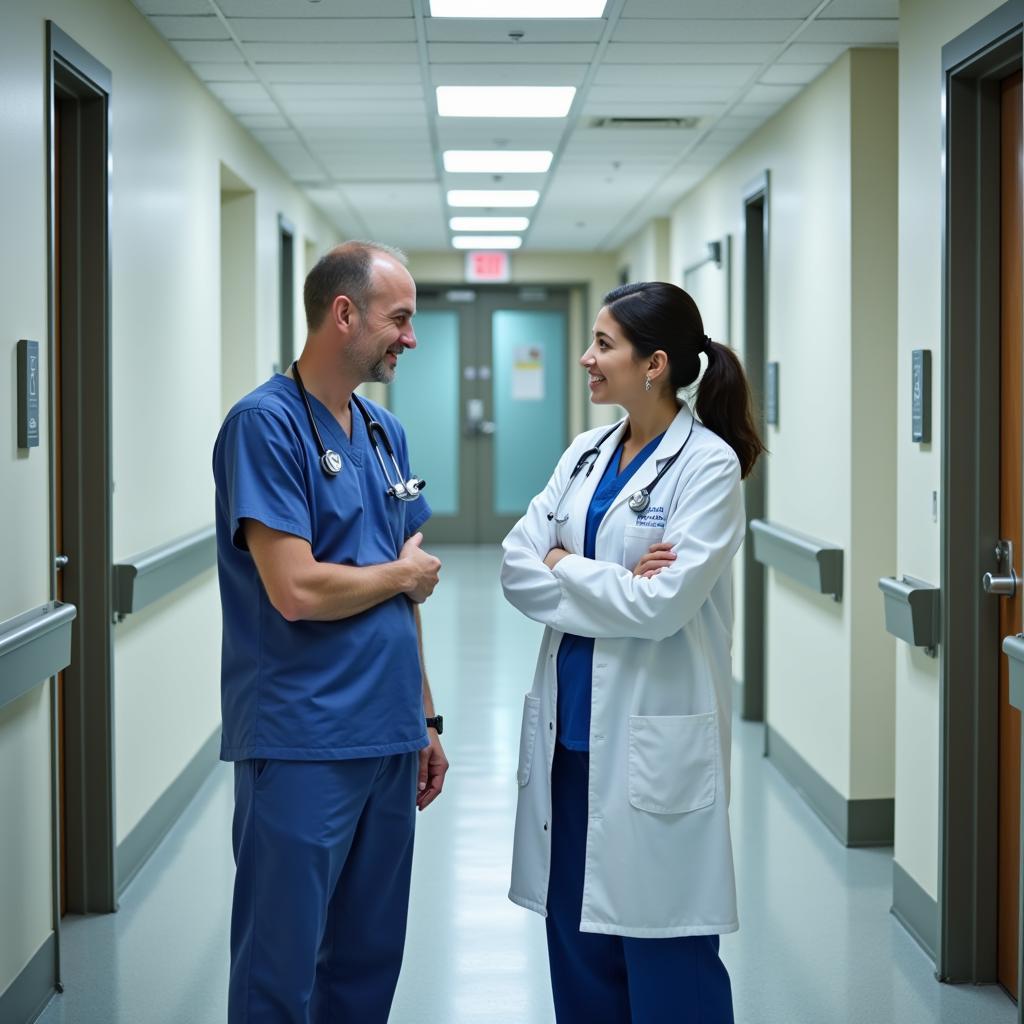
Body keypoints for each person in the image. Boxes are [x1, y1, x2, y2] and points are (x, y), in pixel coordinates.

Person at [500, 281, 765, 1023]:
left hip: (655, 747)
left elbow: (664, 606)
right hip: (569, 742)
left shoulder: (707, 467)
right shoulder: (585, 453)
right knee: (576, 948)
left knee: (666, 953)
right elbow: (515, 564)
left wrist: (566, 565)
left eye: (603, 345)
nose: (586, 357)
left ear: (653, 365)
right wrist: (608, 576)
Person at [212, 241, 449, 1024]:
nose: (409, 337)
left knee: (366, 961)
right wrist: (401, 576)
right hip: (303, 740)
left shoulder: (384, 434)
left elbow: (400, 597)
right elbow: (295, 588)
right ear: (343, 313)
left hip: (386, 734)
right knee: (279, 970)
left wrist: (425, 714)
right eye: (400, 318)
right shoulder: (264, 425)